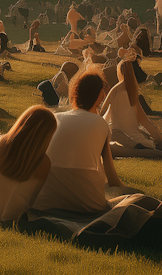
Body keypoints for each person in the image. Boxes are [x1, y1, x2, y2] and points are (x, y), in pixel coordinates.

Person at [32, 72, 123, 213]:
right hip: (87, 204)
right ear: (100, 95)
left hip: (46, 200)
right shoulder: (100, 123)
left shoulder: (55, 118)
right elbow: (111, 177)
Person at [101, 59, 162, 156]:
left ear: (120, 72)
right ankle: (154, 145)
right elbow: (145, 121)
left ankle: (152, 145)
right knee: (143, 138)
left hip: (119, 133)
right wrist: (160, 140)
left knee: (128, 136)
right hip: (128, 135)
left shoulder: (116, 89)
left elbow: (102, 110)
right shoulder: (132, 92)